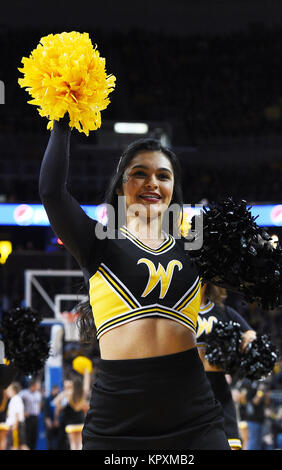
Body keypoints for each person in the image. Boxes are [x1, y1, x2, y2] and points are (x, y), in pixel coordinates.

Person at [39, 116, 231, 450]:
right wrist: (61, 123)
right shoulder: (96, 242)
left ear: (173, 189)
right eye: (139, 173)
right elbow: (51, 193)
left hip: (193, 416)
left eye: (163, 175)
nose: (152, 183)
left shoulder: (198, 247)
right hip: (117, 419)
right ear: (119, 186)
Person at [196, 282, 257, 450]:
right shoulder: (178, 312)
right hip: (187, 385)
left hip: (217, 387)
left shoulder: (223, 311)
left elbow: (251, 334)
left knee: (231, 443)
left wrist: (248, 340)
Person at [53, 372, 90, 450]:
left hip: (70, 422)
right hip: (80, 421)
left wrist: (60, 407)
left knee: (72, 444)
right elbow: (87, 386)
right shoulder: (82, 393)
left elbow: (55, 402)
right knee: (80, 443)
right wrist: (87, 372)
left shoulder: (68, 392)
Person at [19, 378, 42, 450]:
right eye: (37, 385)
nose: (39, 386)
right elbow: (17, 401)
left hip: (35, 417)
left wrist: (39, 410)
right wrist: (22, 412)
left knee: (34, 436)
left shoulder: (38, 394)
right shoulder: (24, 393)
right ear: (33, 385)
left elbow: (40, 403)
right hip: (28, 417)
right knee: (27, 436)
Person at [5, 382, 28, 450]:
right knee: (18, 445)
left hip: (16, 425)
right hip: (15, 424)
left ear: (13, 391)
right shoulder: (13, 399)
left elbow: (17, 413)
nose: (7, 391)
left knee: (17, 446)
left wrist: (15, 424)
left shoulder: (16, 399)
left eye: (9, 390)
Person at [43, 384, 60, 450]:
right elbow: (45, 411)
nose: (56, 391)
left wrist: (57, 420)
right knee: (49, 441)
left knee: (59, 440)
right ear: (52, 390)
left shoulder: (60, 397)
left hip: (58, 422)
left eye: (57, 390)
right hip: (49, 421)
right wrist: (48, 420)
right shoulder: (47, 399)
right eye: (55, 390)